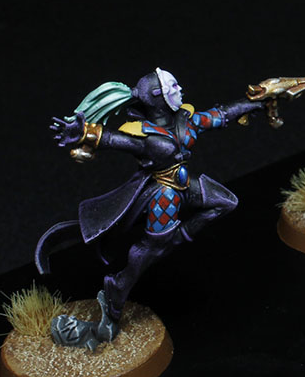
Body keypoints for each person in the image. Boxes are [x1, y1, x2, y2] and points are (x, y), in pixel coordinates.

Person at [36, 68, 270, 350]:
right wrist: (81, 133)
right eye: (173, 87)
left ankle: (177, 238)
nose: (180, 90)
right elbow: (109, 139)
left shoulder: (185, 120)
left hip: (187, 186)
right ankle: (116, 290)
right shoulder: (144, 135)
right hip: (164, 197)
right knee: (151, 251)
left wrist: (254, 103)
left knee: (226, 202)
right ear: (158, 97)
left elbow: (219, 115)